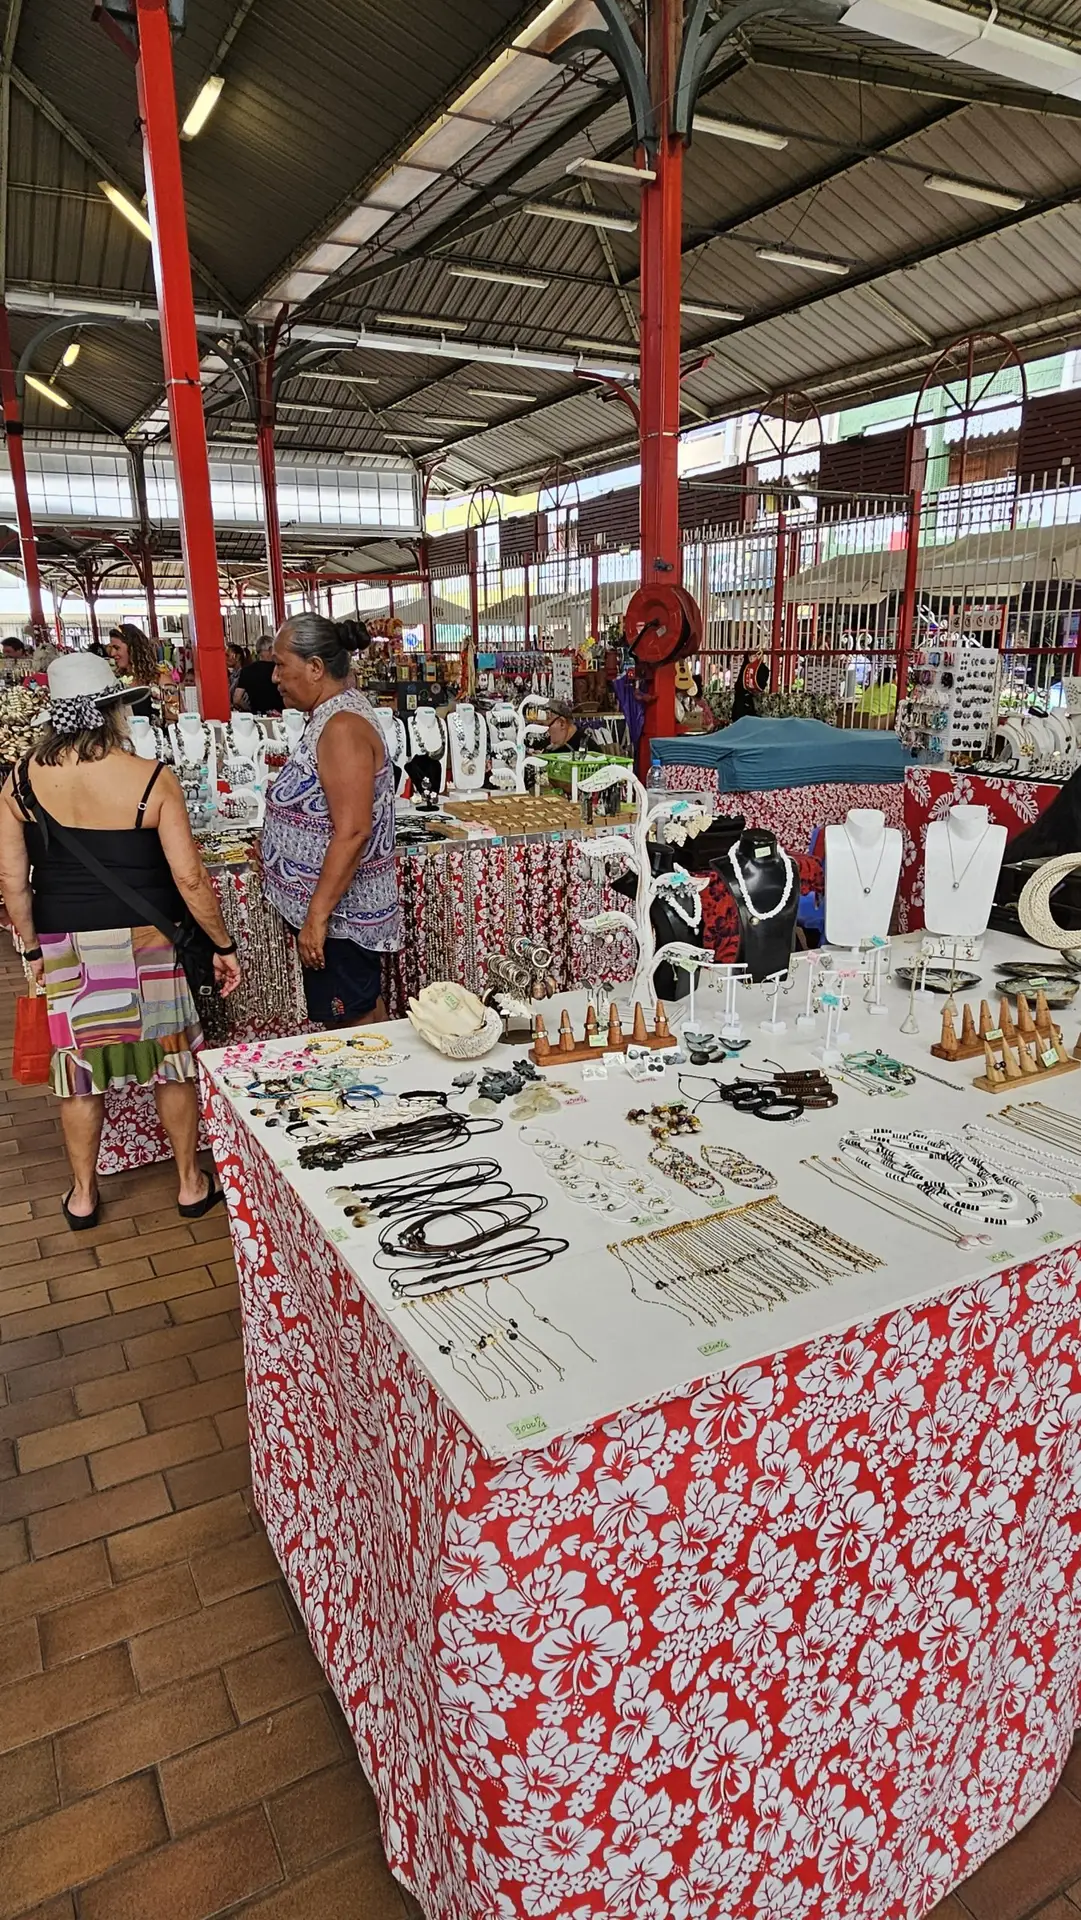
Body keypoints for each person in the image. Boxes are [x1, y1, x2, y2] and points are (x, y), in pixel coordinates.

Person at [0, 652, 241, 1228]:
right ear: (111, 712)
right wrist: (223, 946)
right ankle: (188, 1183)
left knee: (78, 1075)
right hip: (148, 942)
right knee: (171, 1064)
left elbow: (12, 881)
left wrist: (33, 951)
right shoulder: (151, 777)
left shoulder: (18, 780)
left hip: (67, 946)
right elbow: (189, 877)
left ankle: (82, 1194)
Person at [262, 613, 401, 1025]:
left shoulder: (341, 727)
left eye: (281, 664)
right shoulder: (332, 716)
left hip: (342, 919)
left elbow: (355, 830)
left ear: (316, 668)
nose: (274, 677)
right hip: (335, 915)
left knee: (352, 1032)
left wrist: (317, 917)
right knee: (358, 1019)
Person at [108, 625, 159, 718]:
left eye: (117, 648)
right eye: (111, 648)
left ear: (133, 648)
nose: (112, 653)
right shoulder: (115, 682)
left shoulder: (159, 680)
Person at [234, 634, 284, 715]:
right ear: (271, 649)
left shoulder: (246, 670)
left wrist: (250, 710)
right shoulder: (278, 669)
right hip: (280, 716)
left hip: (257, 716)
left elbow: (237, 699)